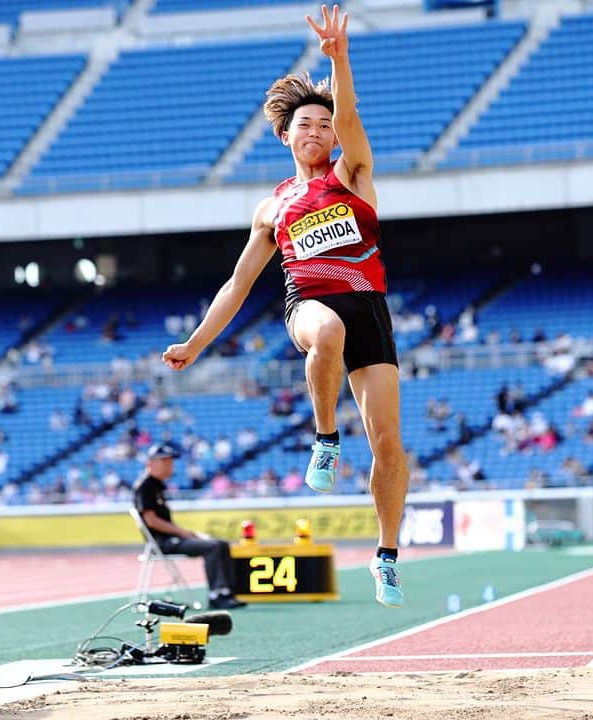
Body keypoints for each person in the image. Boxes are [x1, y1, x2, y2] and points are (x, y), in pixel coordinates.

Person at [161, 5, 406, 607]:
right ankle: (324, 439)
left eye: (326, 123)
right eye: (308, 124)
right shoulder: (273, 208)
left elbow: (350, 117)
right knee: (325, 334)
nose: (320, 130)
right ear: (285, 135)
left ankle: (387, 555)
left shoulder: (352, 174)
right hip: (311, 303)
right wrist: (195, 343)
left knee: (389, 446)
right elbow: (238, 284)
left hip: (369, 307)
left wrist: (338, 60)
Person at [132, 443, 246, 610]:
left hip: (172, 538)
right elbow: (152, 521)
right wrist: (183, 533)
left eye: (171, 462)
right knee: (212, 547)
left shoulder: (157, 485)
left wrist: (186, 533)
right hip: (163, 542)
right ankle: (216, 594)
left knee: (222, 544)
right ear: (152, 463)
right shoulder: (145, 486)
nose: (170, 466)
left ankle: (228, 592)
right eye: (166, 462)